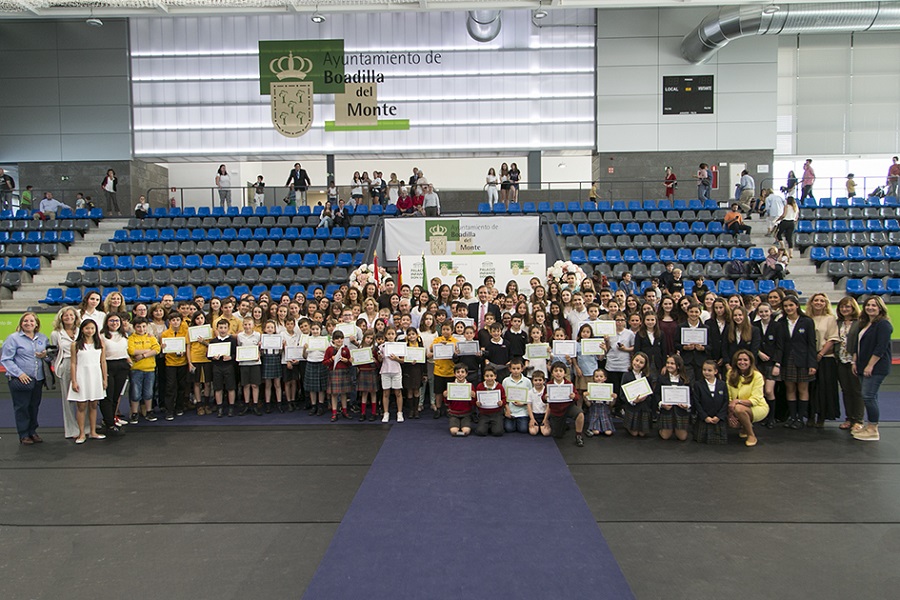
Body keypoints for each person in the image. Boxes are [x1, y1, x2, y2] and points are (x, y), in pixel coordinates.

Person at [2, 313, 51, 445]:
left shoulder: (43, 338)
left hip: (38, 379)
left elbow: (49, 357)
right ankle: (23, 434)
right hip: (20, 380)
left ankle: (32, 431)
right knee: (22, 407)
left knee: (34, 406)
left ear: (36, 324)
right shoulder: (13, 338)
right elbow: (6, 359)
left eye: (31, 321)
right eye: (25, 321)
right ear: (21, 323)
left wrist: (45, 356)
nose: (28, 323)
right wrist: (20, 374)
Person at [772, 295, 817, 430]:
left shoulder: (807, 322)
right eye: (786, 306)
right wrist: (778, 363)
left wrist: (812, 364)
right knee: (790, 388)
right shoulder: (781, 322)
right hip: (787, 360)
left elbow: (811, 344)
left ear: (797, 305)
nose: (788, 308)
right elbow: (779, 345)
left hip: (803, 360)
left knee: (802, 389)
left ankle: (800, 418)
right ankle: (792, 417)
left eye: (791, 305)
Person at [852, 296, 892, 442]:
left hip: (876, 367)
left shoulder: (883, 325)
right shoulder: (866, 323)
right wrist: (855, 362)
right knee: (870, 396)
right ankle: (869, 426)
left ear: (880, 308)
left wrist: (870, 365)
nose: (870, 307)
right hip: (863, 365)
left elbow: (881, 348)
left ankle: (873, 428)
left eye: (874, 305)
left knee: (868, 396)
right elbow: (859, 345)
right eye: (868, 305)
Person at [66, 319, 108, 444]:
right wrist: (74, 381)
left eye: (92, 328)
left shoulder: (100, 343)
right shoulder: (75, 345)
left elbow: (103, 362)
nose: (90, 331)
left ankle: (93, 432)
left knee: (94, 404)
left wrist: (105, 379)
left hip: (95, 376)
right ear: (82, 329)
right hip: (81, 376)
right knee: (81, 405)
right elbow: (73, 363)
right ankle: (81, 433)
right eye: (87, 328)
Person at [806, 293, 840, 427]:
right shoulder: (807, 318)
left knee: (824, 388)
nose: (818, 302)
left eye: (821, 300)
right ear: (811, 302)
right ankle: (809, 415)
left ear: (825, 303)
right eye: (816, 300)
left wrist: (821, 353)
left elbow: (832, 338)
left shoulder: (831, 319)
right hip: (809, 357)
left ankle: (822, 416)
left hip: (826, 358)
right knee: (810, 388)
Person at [726, 350, 768, 447]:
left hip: (758, 407)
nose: (742, 362)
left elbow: (755, 400)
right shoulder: (730, 373)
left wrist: (737, 402)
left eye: (745, 360)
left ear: (750, 362)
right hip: (735, 406)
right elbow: (729, 395)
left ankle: (751, 435)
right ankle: (744, 427)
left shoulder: (757, 376)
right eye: (739, 359)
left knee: (739, 409)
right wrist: (731, 414)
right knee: (737, 410)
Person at [834, 297, 863, 433]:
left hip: (854, 362)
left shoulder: (859, 323)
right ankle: (849, 418)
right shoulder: (838, 323)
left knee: (856, 391)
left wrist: (855, 361)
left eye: (848, 307)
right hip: (841, 360)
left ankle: (858, 420)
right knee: (846, 391)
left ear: (853, 308)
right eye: (842, 307)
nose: (845, 309)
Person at [51, 307, 81, 439]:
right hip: (66, 364)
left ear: (75, 317)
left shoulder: (81, 330)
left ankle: (85, 426)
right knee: (68, 399)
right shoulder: (56, 334)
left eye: (71, 315)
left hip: (83, 364)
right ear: (61, 318)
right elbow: (54, 353)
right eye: (66, 316)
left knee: (83, 398)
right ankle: (71, 429)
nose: (69, 318)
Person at [99, 313, 129, 436]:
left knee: (116, 395)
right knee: (108, 396)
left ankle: (111, 420)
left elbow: (125, 351)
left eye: (117, 320)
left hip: (122, 366)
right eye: (111, 321)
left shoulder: (124, 335)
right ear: (106, 322)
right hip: (108, 366)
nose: (114, 323)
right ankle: (109, 422)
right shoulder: (102, 336)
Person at [127, 317, 159, 424]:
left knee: (149, 392)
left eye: (143, 326)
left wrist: (143, 355)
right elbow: (131, 350)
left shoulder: (151, 337)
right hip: (136, 369)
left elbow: (157, 349)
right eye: (138, 327)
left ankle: (149, 411)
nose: (141, 329)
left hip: (150, 368)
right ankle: (134, 412)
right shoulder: (131, 338)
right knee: (135, 393)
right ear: (134, 327)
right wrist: (148, 350)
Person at [546, 361, 584, 447]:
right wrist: (545, 397)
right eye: (556, 371)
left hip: (568, 407)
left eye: (560, 371)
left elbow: (577, 397)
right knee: (557, 435)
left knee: (580, 414)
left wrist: (574, 396)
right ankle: (563, 425)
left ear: (565, 373)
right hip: (556, 410)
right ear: (552, 373)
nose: (558, 373)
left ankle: (578, 435)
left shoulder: (569, 384)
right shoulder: (549, 385)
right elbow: (544, 400)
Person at [160, 311, 189, 421]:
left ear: (181, 321)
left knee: (182, 386)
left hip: (182, 363)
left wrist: (184, 352)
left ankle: (179, 407)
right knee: (170, 387)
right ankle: (169, 410)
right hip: (170, 363)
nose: (175, 322)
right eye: (173, 320)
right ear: (169, 321)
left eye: (177, 320)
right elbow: (162, 351)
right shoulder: (165, 334)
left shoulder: (185, 332)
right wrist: (162, 347)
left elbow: (188, 347)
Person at [692, 360, 728, 444]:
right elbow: (696, 402)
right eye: (704, 370)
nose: (706, 372)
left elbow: (726, 401)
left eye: (709, 370)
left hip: (718, 418)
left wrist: (719, 416)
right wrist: (705, 416)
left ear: (715, 371)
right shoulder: (698, 384)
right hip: (704, 418)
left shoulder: (722, 384)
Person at [621, 352, 653, 437]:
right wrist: (633, 401)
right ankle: (629, 426)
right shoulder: (626, 375)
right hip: (632, 407)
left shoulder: (647, 376)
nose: (638, 364)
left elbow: (651, 393)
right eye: (636, 360)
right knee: (634, 434)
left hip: (644, 407)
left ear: (645, 365)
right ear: (632, 360)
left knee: (642, 434)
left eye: (641, 362)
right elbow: (622, 394)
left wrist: (646, 397)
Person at [324, 329, 352, 421]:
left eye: (341, 338)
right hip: (334, 372)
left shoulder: (346, 349)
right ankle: (334, 412)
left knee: (344, 393)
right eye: (337, 339)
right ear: (333, 340)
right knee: (334, 394)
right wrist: (331, 360)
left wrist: (347, 361)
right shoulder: (329, 349)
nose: (339, 340)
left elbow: (350, 363)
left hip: (344, 372)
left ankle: (345, 411)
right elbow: (324, 362)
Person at [378, 327, 404, 423]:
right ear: (385, 335)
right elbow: (380, 360)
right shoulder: (382, 346)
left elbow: (403, 360)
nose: (390, 336)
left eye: (392, 334)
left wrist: (396, 358)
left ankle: (399, 412)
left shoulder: (399, 346)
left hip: (396, 371)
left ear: (395, 335)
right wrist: (380, 357)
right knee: (386, 393)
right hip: (385, 371)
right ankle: (386, 413)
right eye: (388, 334)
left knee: (398, 392)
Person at [502, 358, 532, 433]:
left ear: (522, 369)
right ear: (510, 369)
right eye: (513, 368)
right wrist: (507, 410)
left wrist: (523, 403)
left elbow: (531, 397)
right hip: (510, 411)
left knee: (523, 430)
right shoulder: (506, 381)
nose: (516, 371)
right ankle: (512, 420)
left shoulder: (527, 381)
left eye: (518, 368)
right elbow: (503, 397)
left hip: (523, 411)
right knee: (509, 429)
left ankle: (519, 421)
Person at [445, 363, 475, 436]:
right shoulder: (451, 386)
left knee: (466, 431)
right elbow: (447, 402)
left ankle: (464, 425)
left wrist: (474, 397)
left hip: (466, 414)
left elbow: (473, 404)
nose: (460, 374)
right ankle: (456, 425)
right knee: (453, 431)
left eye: (462, 372)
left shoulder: (470, 386)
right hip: (454, 414)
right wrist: (445, 396)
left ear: (466, 374)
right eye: (458, 372)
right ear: (454, 374)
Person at [585, 367, 615, 437]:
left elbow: (611, 405)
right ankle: (593, 428)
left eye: (601, 376)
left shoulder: (608, 388)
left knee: (608, 433)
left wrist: (614, 398)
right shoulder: (591, 388)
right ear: (594, 378)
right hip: (594, 410)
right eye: (597, 376)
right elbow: (589, 404)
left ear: (605, 378)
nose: (599, 378)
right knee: (596, 432)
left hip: (605, 410)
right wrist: (585, 397)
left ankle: (605, 427)